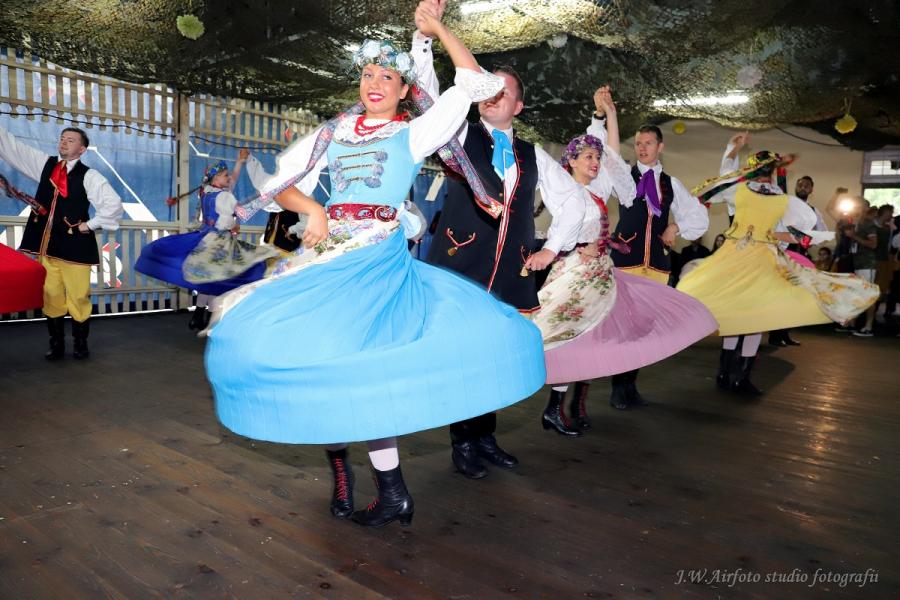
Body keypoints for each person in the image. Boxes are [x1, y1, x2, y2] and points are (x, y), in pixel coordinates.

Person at [203, 1, 546, 527]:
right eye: (368, 74)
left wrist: (436, 30)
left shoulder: (415, 133)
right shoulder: (335, 131)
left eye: (388, 77)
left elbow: (476, 83)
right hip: (328, 254)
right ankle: (352, 474)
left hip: (375, 259)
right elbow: (281, 186)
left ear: (405, 90)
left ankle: (390, 491)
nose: (375, 83)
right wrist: (315, 208)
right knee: (307, 355)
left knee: (360, 366)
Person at [420, 12, 585, 476]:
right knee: (464, 357)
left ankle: (485, 437)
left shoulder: (534, 155)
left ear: (519, 106)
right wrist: (425, 41)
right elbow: (428, 98)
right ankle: (463, 443)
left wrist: (552, 249)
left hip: (511, 274)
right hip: (460, 268)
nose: (493, 96)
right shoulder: (457, 132)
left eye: (503, 91)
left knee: (494, 357)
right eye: (487, 89)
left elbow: (573, 202)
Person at [535, 87, 717, 431]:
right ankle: (555, 406)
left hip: (601, 274)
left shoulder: (601, 186)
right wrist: (578, 247)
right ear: (571, 161)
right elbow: (562, 232)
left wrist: (610, 114)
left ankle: (575, 405)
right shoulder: (564, 190)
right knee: (565, 335)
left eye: (596, 158)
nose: (595, 162)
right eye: (587, 157)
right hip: (574, 271)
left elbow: (612, 152)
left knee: (594, 338)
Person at [680, 146, 880, 395]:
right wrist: (772, 235)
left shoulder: (752, 192)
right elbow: (799, 236)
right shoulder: (769, 196)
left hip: (744, 256)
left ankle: (730, 374)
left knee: (742, 314)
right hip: (751, 258)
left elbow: (713, 188)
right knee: (749, 316)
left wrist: (733, 149)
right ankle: (735, 376)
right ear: (769, 170)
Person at [589, 108, 709, 409]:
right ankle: (618, 387)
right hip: (626, 263)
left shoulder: (671, 184)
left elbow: (698, 217)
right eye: (638, 143)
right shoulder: (625, 178)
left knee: (643, 329)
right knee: (623, 327)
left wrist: (675, 227)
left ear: (660, 147)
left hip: (656, 266)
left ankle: (630, 386)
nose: (642, 148)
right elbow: (609, 157)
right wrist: (605, 116)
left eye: (648, 143)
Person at [0, 125, 123, 359]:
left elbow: (113, 205)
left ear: (82, 149)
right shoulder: (45, 165)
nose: (64, 142)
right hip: (47, 247)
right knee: (51, 295)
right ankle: (56, 343)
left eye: (71, 140)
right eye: (62, 138)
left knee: (78, 296)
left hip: (75, 248)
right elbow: (14, 149)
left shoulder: (89, 176)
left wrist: (90, 225)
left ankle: (80, 343)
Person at [135, 156, 277, 329]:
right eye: (225, 175)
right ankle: (210, 320)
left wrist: (239, 162)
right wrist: (235, 224)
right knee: (219, 279)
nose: (229, 178)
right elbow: (225, 222)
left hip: (204, 238)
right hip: (219, 243)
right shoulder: (225, 197)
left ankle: (197, 317)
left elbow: (228, 187)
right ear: (216, 179)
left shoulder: (207, 193)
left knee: (206, 280)